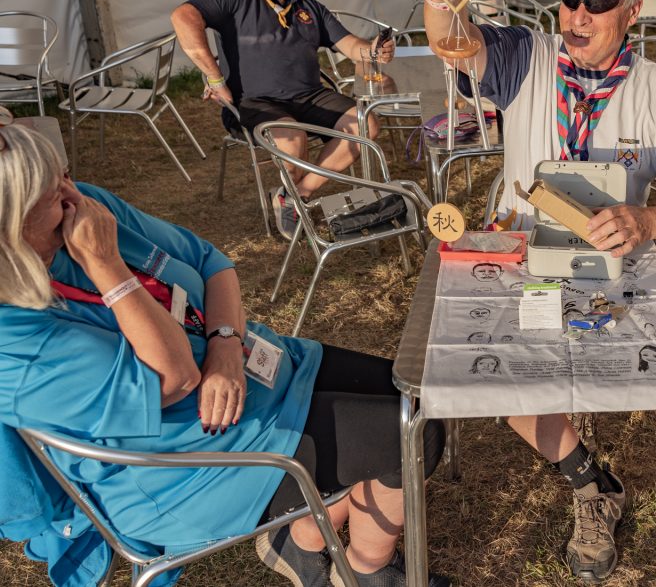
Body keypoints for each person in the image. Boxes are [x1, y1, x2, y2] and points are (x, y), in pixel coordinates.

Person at [0, 124, 449, 587]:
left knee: (412, 398)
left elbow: (211, 261)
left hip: (256, 373)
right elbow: (173, 377)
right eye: (52, 194)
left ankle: (303, 538)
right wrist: (108, 267)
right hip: (191, 466)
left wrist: (226, 346)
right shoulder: (13, 340)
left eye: (66, 175)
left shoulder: (82, 209)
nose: (73, 194)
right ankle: (365, 570)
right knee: (415, 434)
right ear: (10, 228)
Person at [404, 0, 656, 582]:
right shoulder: (525, 56)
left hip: (611, 269)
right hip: (518, 261)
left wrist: (647, 223)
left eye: (595, 3)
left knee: (636, 367)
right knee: (497, 370)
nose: (576, 16)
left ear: (629, 10)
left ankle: (593, 474)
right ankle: (591, 481)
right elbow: (455, 43)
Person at [170, 0, 396, 240]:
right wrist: (213, 76)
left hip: (311, 96)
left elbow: (351, 46)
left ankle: (296, 195)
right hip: (255, 102)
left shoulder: (309, 8)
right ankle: (294, 198)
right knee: (292, 139)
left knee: (366, 124)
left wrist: (373, 50)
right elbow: (183, 16)